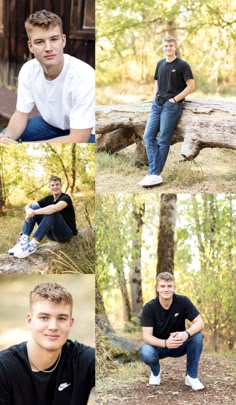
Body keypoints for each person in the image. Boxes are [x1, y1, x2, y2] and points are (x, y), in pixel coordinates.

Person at [0, 9, 95, 144]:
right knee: (4, 137)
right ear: (30, 46)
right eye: (39, 42)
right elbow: (21, 114)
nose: (48, 48)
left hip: (86, 133)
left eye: (54, 39)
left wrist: (21, 147)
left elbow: (78, 138)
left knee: (52, 160)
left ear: (63, 41)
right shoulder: (28, 70)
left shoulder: (84, 76)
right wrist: (7, 139)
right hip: (51, 125)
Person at [0, 281, 95, 405]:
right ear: (30, 321)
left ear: (70, 323)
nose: (53, 326)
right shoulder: (4, 368)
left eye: (61, 318)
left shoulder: (84, 360)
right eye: (44, 317)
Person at [138, 35, 195, 187]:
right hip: (157, 105)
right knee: (148, 136)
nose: (168, 48)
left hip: (172, 106)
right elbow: (157, 83)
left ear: (175, 47)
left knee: (163, 138)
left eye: (170, 45)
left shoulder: (183, 65)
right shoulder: (160, 64)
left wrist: (175, 99)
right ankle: (153, 172)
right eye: (165, 46)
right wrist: (154, 98)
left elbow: (191, 86)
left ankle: (154, 173)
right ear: (163, 48)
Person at [140, 272, 204, 390]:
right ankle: (155, 372)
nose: (166, 289)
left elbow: (200, 322)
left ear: (174, 288)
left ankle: (191, 376)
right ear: (157, 288)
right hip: (159, 347)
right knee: (145, 351)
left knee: (198, 336)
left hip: (179, 344)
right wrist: (165, 343)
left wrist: (186, 333)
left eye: (169, 286)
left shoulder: (183, 301)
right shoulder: (149, 307)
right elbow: (146, 337)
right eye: (163, 286)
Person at [8, 175, 77, 258]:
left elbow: (54, 208)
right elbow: (31, 205)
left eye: (57, 184)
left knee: (52, 212)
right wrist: (28, 210)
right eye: (52, 185)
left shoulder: (66, 198)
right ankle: (23, 240)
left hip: (65, 234)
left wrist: (34, 212)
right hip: (52, 234)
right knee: (34, 208)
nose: (55, 187)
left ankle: (33, 245)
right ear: (49, 187)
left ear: (61, 186)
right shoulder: (49, 198)